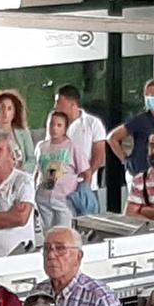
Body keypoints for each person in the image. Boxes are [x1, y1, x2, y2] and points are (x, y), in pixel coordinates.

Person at [108, 79, 154, 182]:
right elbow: (112, 137)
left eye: (153, 95)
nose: (149, 98)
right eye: (147, 95)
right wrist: (124, 159)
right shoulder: (141, 120)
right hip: (140, 172)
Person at [55, 85, 109, 220]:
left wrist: (87, 174)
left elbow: (99, 155)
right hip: (60, 187)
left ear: (72, 104)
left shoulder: (93, 123)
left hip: (85, 186)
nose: (55, 106)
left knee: (89, 224)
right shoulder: (55, 124)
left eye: (59, 102)